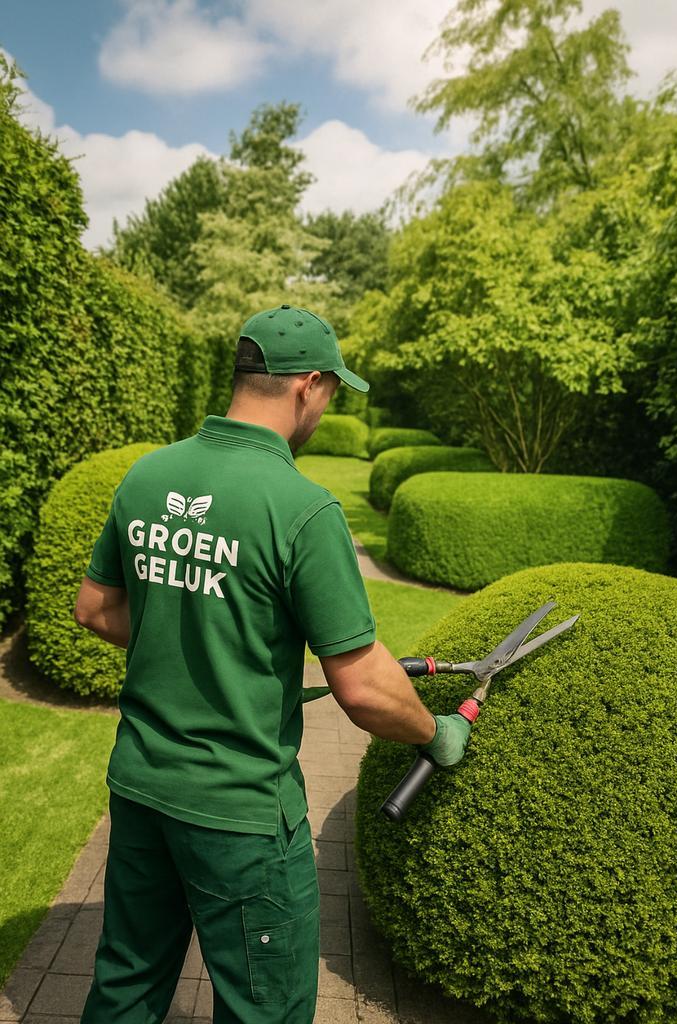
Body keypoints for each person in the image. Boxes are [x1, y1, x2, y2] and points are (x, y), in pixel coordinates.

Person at [73, 303, 472, 1024]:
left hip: (140, 792)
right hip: (242, 818)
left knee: (127, 984)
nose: (325, 406)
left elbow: (96, 608)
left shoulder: (147, 475)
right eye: (331, 391)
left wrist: (195, 631)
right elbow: (363, 687)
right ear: (308, 385)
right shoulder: (303, 509)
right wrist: (434, 733)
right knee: (268, 1009)